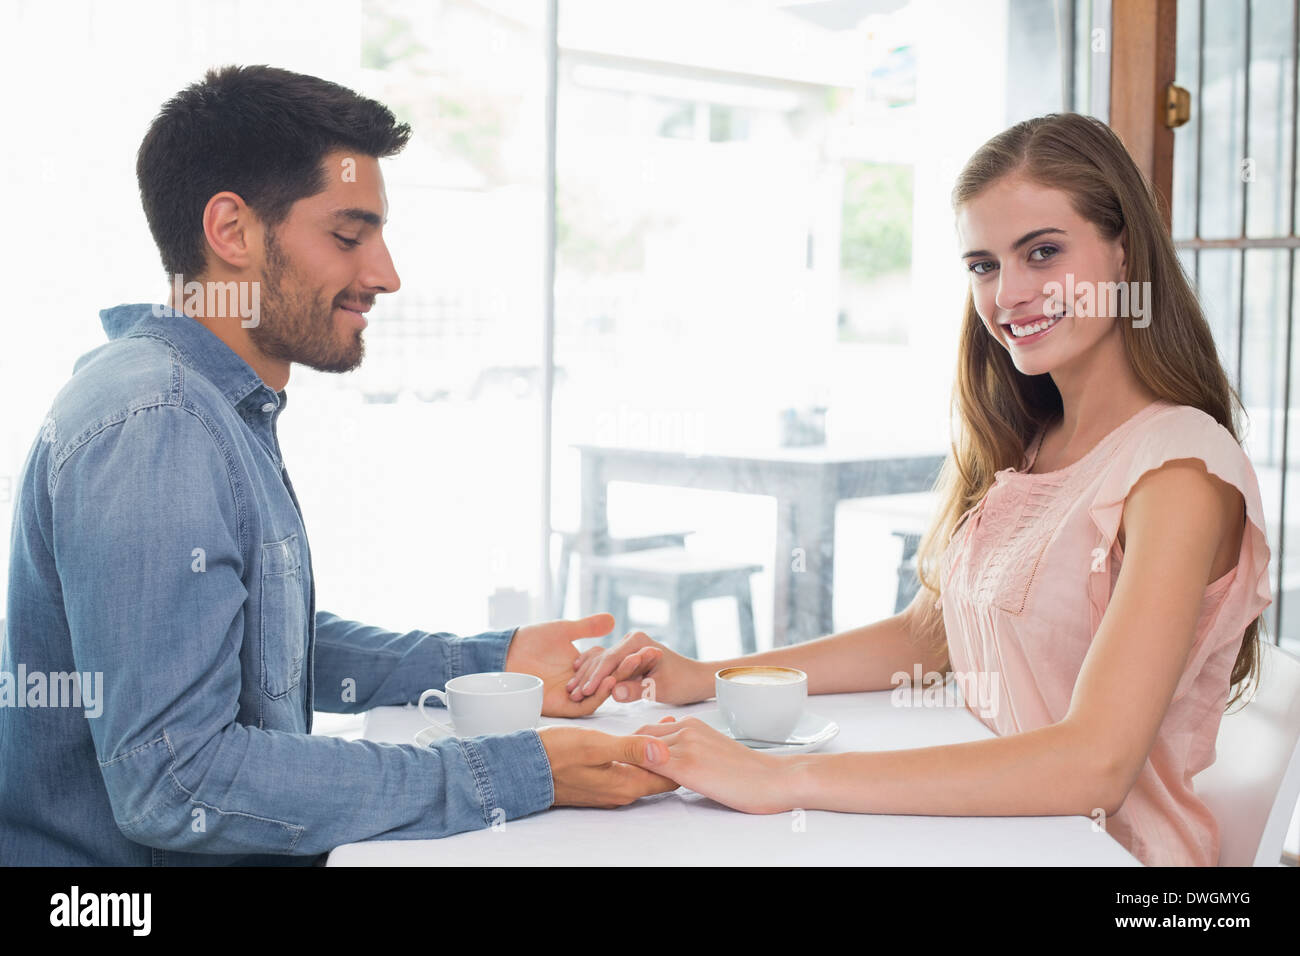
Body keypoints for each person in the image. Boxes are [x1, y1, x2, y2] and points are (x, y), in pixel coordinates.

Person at [0, 64, 673, 866]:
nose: (385, 274)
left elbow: (239, 639)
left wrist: (486, 662)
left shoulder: (198, 401)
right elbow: (180, 783)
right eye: (348, 237)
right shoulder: (158, 422)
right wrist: (516, 771)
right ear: (232, 231)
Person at [568, 112, 1274, 868]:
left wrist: (785, 778)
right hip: (990, 835)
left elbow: (1093, 764)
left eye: (1043, 252)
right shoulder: (1034, 443)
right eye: (984, 266)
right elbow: (930, 635)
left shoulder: (1180, 470)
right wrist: (707, 676)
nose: (1011, 294)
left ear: (1124, 250)